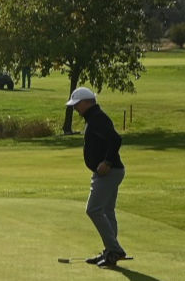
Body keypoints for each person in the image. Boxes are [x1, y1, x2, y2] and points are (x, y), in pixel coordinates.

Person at [68, 87, 128, 267]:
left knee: (93, 209)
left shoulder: (97, 118)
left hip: (109, 172)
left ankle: (115, 249)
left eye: (77, 104)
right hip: (111, 172)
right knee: (107, 211)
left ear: (86, 102)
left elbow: (115, 139)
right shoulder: (93, 118)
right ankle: (110, 252)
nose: (75, 108)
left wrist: (107, 161)